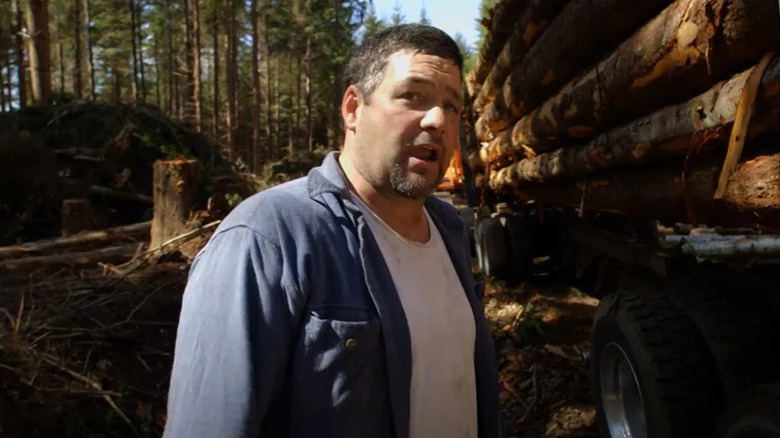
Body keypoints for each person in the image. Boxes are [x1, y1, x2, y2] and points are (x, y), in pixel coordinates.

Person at [163, 24, 499, 438]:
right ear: (353, 108)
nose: (438, 119)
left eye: (452, 106)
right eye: (413, 95)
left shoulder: (448, 230)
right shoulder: (267, 238)